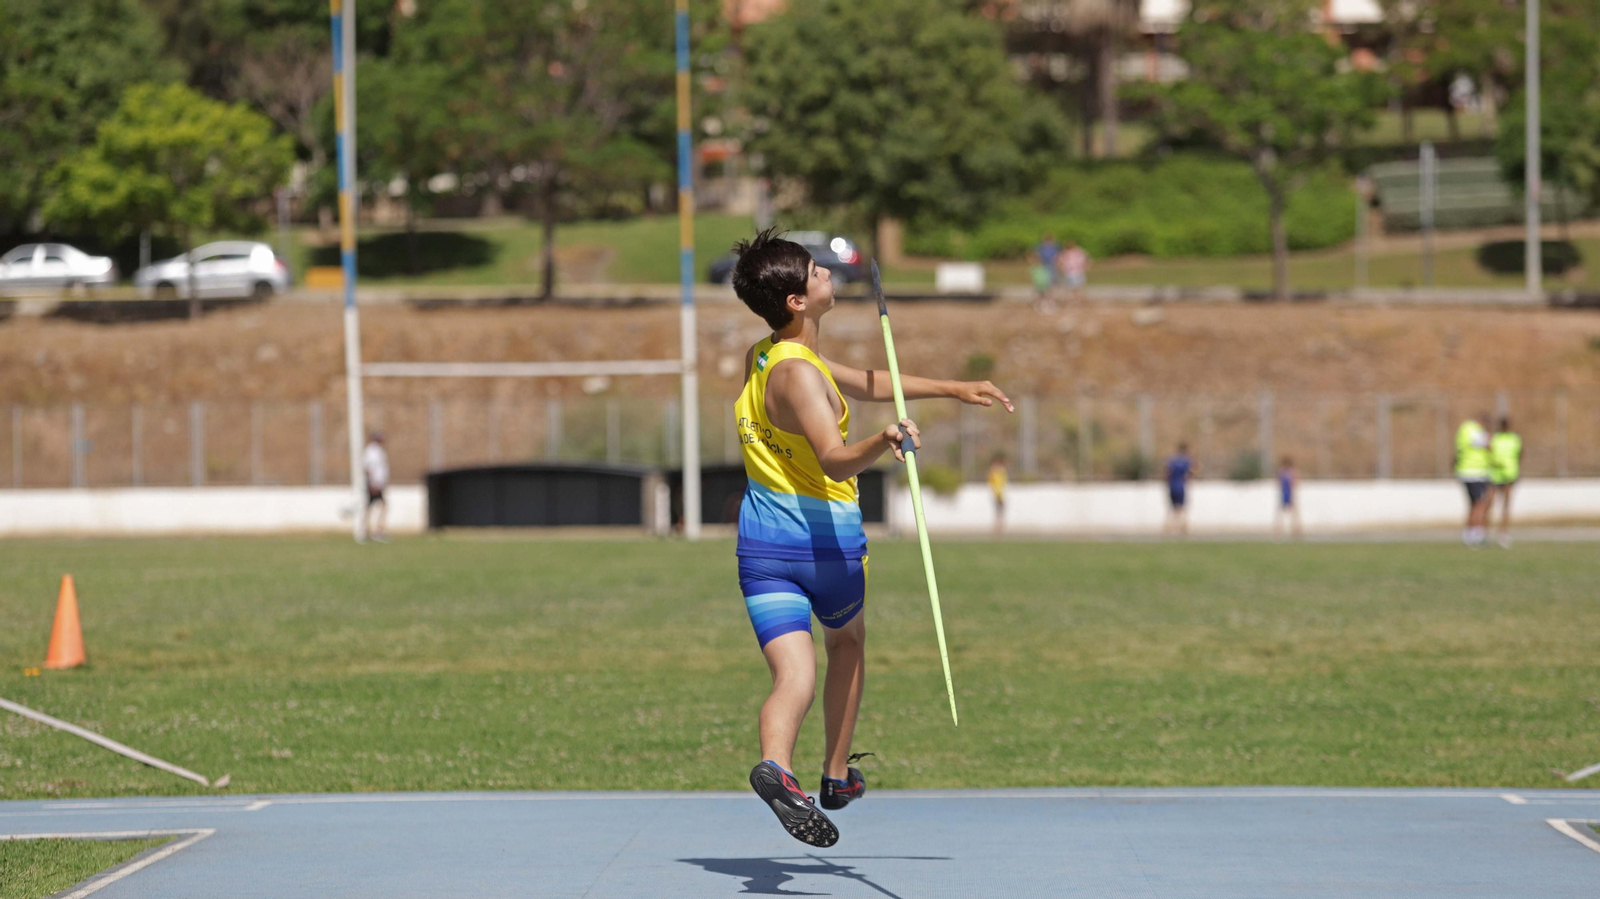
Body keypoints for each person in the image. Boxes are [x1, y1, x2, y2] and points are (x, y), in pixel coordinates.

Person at [728, 227, 1012, 847]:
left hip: (762, 545)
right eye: (815, 271)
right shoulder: (799, 377)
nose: (827, 272)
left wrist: (950, 389)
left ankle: (777, 767)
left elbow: (861, 381)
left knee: (792, 675)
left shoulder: (770, 354)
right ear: (798, 301)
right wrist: (882, 441)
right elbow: (833, 458)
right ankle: (834, 775)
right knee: (848, 645)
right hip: (825, 544)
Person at [1455, 413, 1493, 547]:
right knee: (1480, 503)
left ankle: (1469, 533)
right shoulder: (1473, 430)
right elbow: (1488, 445)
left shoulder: (1465, 428)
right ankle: (1476, 534)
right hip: (1474, 472)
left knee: (1473, 504)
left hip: (1468, 472)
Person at [1490, 416, 1522, 548]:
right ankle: (1496, 532)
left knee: (1503, 505)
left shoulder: (1498, 438)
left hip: (1505, 474)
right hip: (1501, 474)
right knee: (1495, 504)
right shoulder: (1507, 438)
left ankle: (1501, 533)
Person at [361, 432, 390, 543]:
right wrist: (371, 484)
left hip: (378, 484)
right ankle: (371, 531)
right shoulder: (370, 452)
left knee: (377, 506)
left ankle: (374, 531)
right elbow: (367, 468)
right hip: (373, 484)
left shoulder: (379, 451)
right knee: (372, 507)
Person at [1163, 442, 1196, 536]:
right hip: (1181, 486)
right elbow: (1192, 472)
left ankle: (1167, 527)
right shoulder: (1187, 460)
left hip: (1172, 485)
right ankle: (1181, 528)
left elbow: (1167, 472)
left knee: (1171, 507)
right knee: (1181, 507)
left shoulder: (1171, 459)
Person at [1273, 455, 1301, 541]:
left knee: (1293, 513)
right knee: (1282, 514)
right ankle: (1279, 530)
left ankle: (1295, 530)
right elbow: (1279, 482)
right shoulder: (1282, 472)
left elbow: (1295, 482)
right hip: (1284, 494)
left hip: (1289, 494)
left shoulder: (1291, 472)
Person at [987, 454, 1009, 535]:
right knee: (998, 512)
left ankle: (1000, 528)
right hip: (997, 494)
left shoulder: (1000, 472)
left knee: (1000, 512)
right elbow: (991, 482)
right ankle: (998, 528)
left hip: (1000, 494)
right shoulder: (995, 473)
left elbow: (1003, 483)